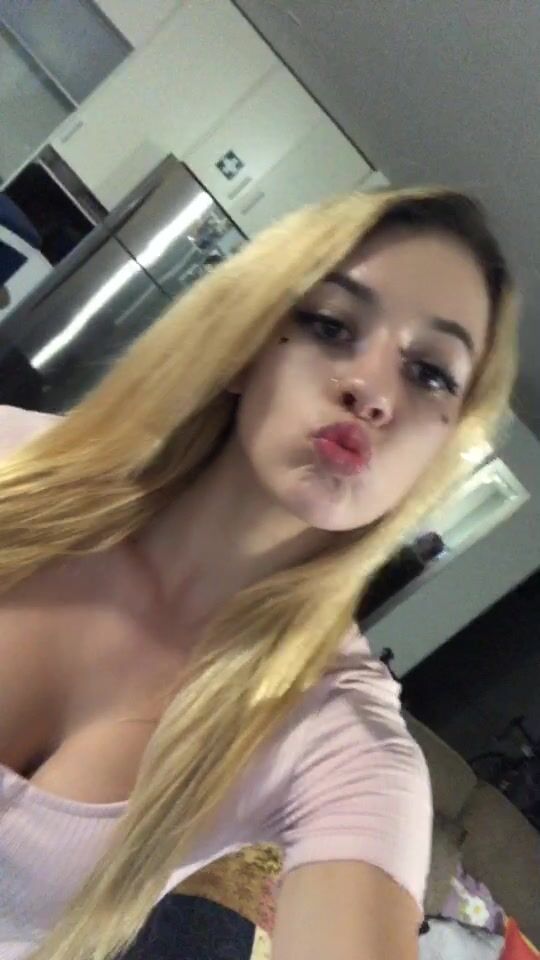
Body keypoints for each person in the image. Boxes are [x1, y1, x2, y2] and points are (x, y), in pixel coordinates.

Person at [0, 188, 517, 960]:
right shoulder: (13, 467)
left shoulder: (340, 739)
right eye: (333, 326)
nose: (374, 392)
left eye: (431, 374)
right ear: (248, 345)